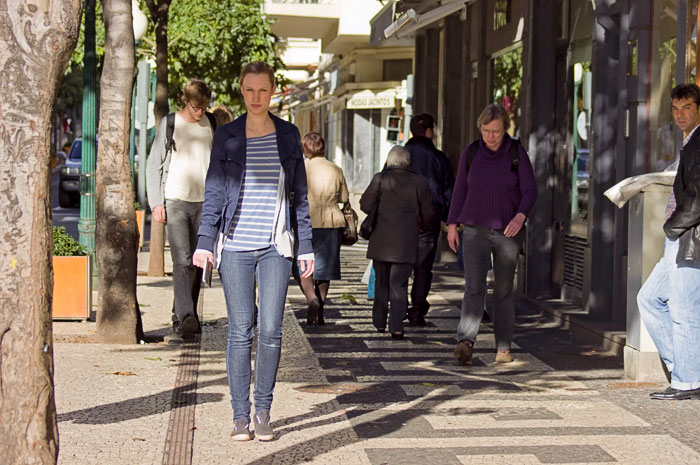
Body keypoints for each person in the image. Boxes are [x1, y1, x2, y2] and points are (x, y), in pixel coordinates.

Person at [192, 62, 314, 440]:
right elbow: (214, 190)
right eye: (250, 90)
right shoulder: (227, 136)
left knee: (272, 330)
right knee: (240, 331)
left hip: (276, 246)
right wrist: (204, 241)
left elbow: (300, 197)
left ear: (273, 91)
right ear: (242, 91)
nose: (256, 97)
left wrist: (306, 245)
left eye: (263, 90)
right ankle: (239, 416)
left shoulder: (288, 135)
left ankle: (263, 410)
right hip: (236, 247)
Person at [446, 104, 536, 366]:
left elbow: (530, 191)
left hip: (507, 232)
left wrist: (521, 216)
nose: (491, 136)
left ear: (504, 129)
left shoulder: (516, 153)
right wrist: (453, 224)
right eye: (486, 131)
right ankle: (465, 342)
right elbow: (460, 188)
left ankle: (503, 348)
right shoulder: (472, 152)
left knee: (503, 291)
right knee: (474, 287)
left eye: (496, 131)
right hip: (474, 230)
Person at [636, 83, 700, 401]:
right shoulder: (690, 143)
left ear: (699, 109)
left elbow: (699, 198)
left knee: (685, 312)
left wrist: (673, 229)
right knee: (649, 299)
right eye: (675, 109)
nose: (680, 115)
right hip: (677, 238)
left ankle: (687, 380)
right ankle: (687, 370)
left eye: (686, 107)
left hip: (688, 239)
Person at [146, 79, 216, 339]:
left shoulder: (212, 124)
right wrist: (156, 202)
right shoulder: (171, 123)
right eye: (197, 107)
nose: (200, 112)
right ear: (186, 101)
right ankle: (187, 315)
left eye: (204, 107)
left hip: (206, 202)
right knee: (182, 260)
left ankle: (183, 313)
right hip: (175, 199)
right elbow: (154, 164)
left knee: (198, 262)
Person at [360, 146, 434, 339]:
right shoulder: (420, 182)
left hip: (381, 242)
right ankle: (397, 327)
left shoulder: (380, 178)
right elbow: (428, 212)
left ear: (389, 161)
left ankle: (379, 322)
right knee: (399, 285)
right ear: (408, 162)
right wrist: (422, 226)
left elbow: (365, 205)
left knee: (381, 283)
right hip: (406, 243)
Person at [404, 113, 454, 326]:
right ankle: (417, 311)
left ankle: (398, 310)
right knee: (423, 268)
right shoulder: (439, 158)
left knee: (400, 266)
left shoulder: (399, 154)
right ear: (429, 131)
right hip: (428, 220)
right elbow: (449, 190)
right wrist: (448, 217)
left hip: (401, 219)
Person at [296, 131, 350, 325]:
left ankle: (312, 298)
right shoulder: (335, 169)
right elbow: (343, 198)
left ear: (305, 148)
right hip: (331, 222)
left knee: (304, 265)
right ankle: (320, 311)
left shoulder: (300, 168)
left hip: (305, 220)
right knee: (325, 268)